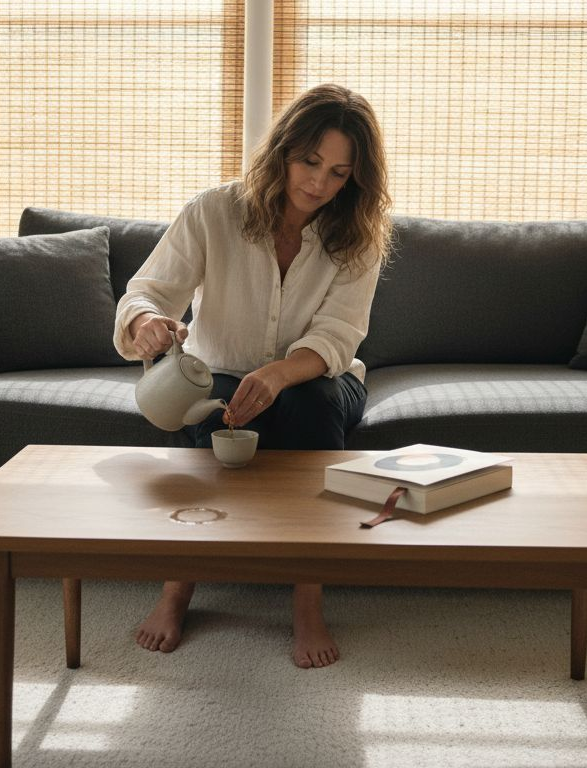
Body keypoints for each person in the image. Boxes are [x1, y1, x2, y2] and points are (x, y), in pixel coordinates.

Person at [112, 84, 392, 668]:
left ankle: (308, 598)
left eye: (339, 173)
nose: (319, 183)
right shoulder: (214, 210)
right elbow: (149, 290)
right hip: (218, 373)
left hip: (324, 380)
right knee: (208, 400)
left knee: (308, 402)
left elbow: (339, 337)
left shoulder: (359, 236)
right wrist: (145, 322)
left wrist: (279, 373)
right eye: (310, 162)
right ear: (284, 150)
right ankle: (178, 586)